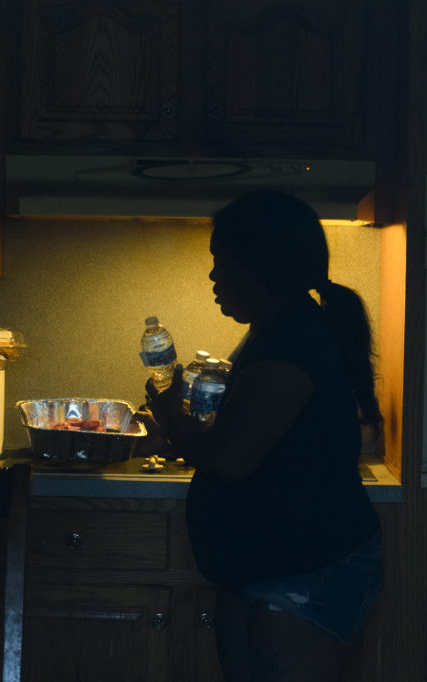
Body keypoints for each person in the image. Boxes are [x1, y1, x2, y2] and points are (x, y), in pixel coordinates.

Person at [143, 190, 384, 682]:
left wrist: (172, 417)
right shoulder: (275, 331)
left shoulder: (291, 342)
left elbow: (230, 458)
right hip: (272, 568)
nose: (214, 277)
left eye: (222, 263)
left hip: (305, 570)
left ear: (261, 268)